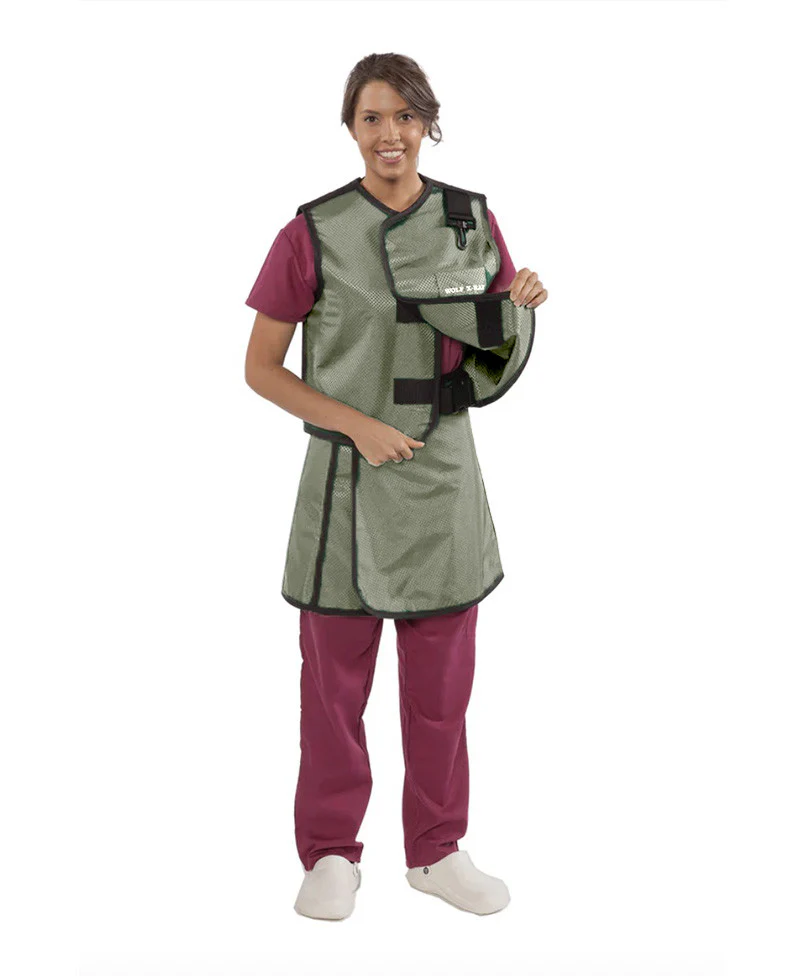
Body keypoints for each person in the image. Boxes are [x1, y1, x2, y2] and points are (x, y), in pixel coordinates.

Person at [244, 53, 548, 921]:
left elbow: (493, 342)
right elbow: (262, 369)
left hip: (442, 479)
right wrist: (356, 424)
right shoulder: (311, 233)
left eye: (406, 117)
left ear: (428, 123)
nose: (390, 134)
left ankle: (437, 852)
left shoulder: (469, 220)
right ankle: (330, 854)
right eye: (372, 118)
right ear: (350, 127)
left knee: (442, 694)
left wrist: (521, 304)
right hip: (346, 484)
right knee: (332, 693)